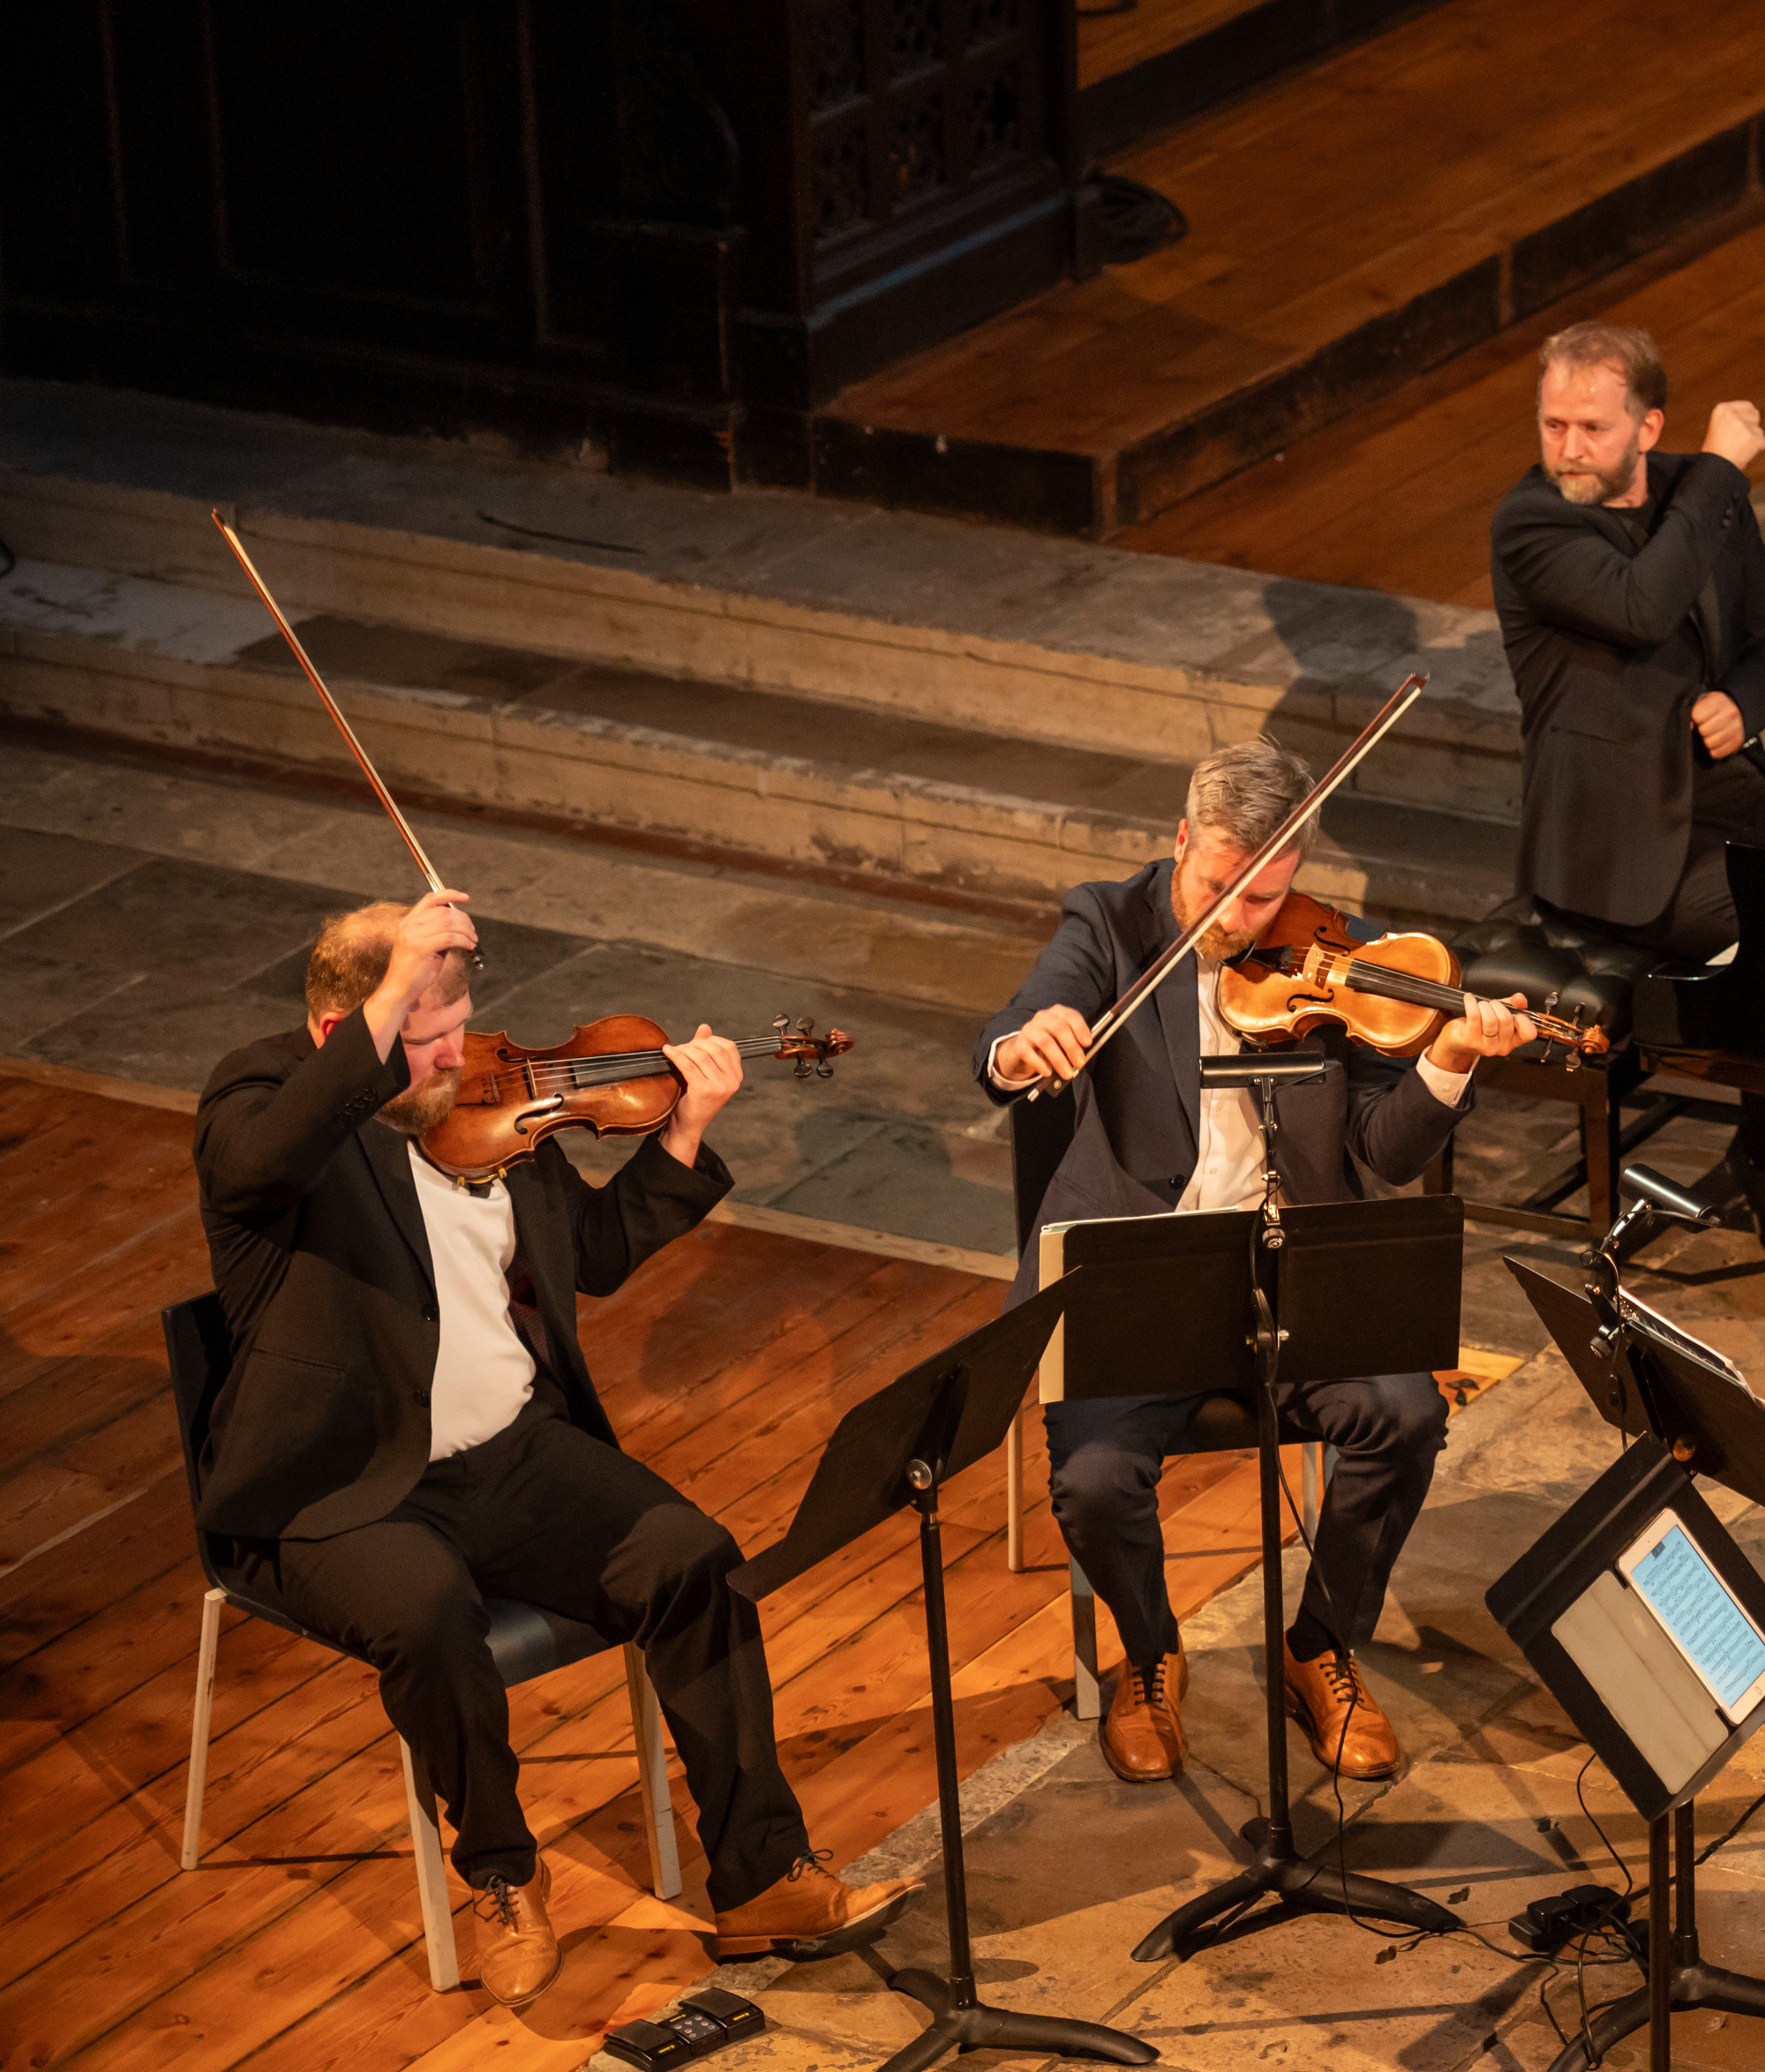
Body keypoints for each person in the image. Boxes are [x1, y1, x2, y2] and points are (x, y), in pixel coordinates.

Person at [194, 892, 917, 2009]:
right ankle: (503, 1874)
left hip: (509, 1451)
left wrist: (683, 1134)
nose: (456, 1060)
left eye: (460, 1027)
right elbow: (263, 1165)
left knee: (693, 1558)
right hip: (342, 1486)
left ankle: (761, 1876)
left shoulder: (488, 1105)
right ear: (348, 1030)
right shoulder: (256, 1097)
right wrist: (393, 998)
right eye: (425, 1038)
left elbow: (589, 1254)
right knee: (429, 1615)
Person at [976, 739, 1533, 1785]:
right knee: (1094, 1480)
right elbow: (1017, 1027)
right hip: (1144, 1279)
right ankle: (1151, 1654)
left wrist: (1449, 1062)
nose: (1238, 918)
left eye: (1264, 895)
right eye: (1219, 886)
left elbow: (1383, 1153)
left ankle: (1319, 1644)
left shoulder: (1340, 956)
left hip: (1297, 1277)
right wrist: (1026, 1040)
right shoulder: (1108, 923)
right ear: (1183, 837)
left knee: (1406, 1413)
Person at [1488, 319, 1765, 1275]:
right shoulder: (1532, 524)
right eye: (1553, 425)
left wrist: (1743, 702)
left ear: (1647, 427)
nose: (1568, 449)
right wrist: (1722, 471)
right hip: (1609, 837)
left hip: (1717, 788)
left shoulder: (1701, 497)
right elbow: (1640, 602)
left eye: (1592, 428)